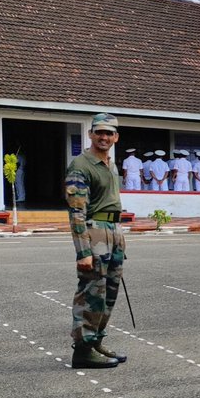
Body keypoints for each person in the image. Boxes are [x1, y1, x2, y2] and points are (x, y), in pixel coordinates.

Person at [64, 113, 130, 369]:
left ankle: (95, 341)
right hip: (95, 233)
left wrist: (118, 236)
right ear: (90, 134)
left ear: (116, 137)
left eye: (109, 133)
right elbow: (76, 212)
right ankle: (82, 350)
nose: (104, 137)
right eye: (99, 132)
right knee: (92, 292)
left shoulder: (110, 164)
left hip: (113, 231)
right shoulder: (81, 165)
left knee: (109, 293)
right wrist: (83, 252)